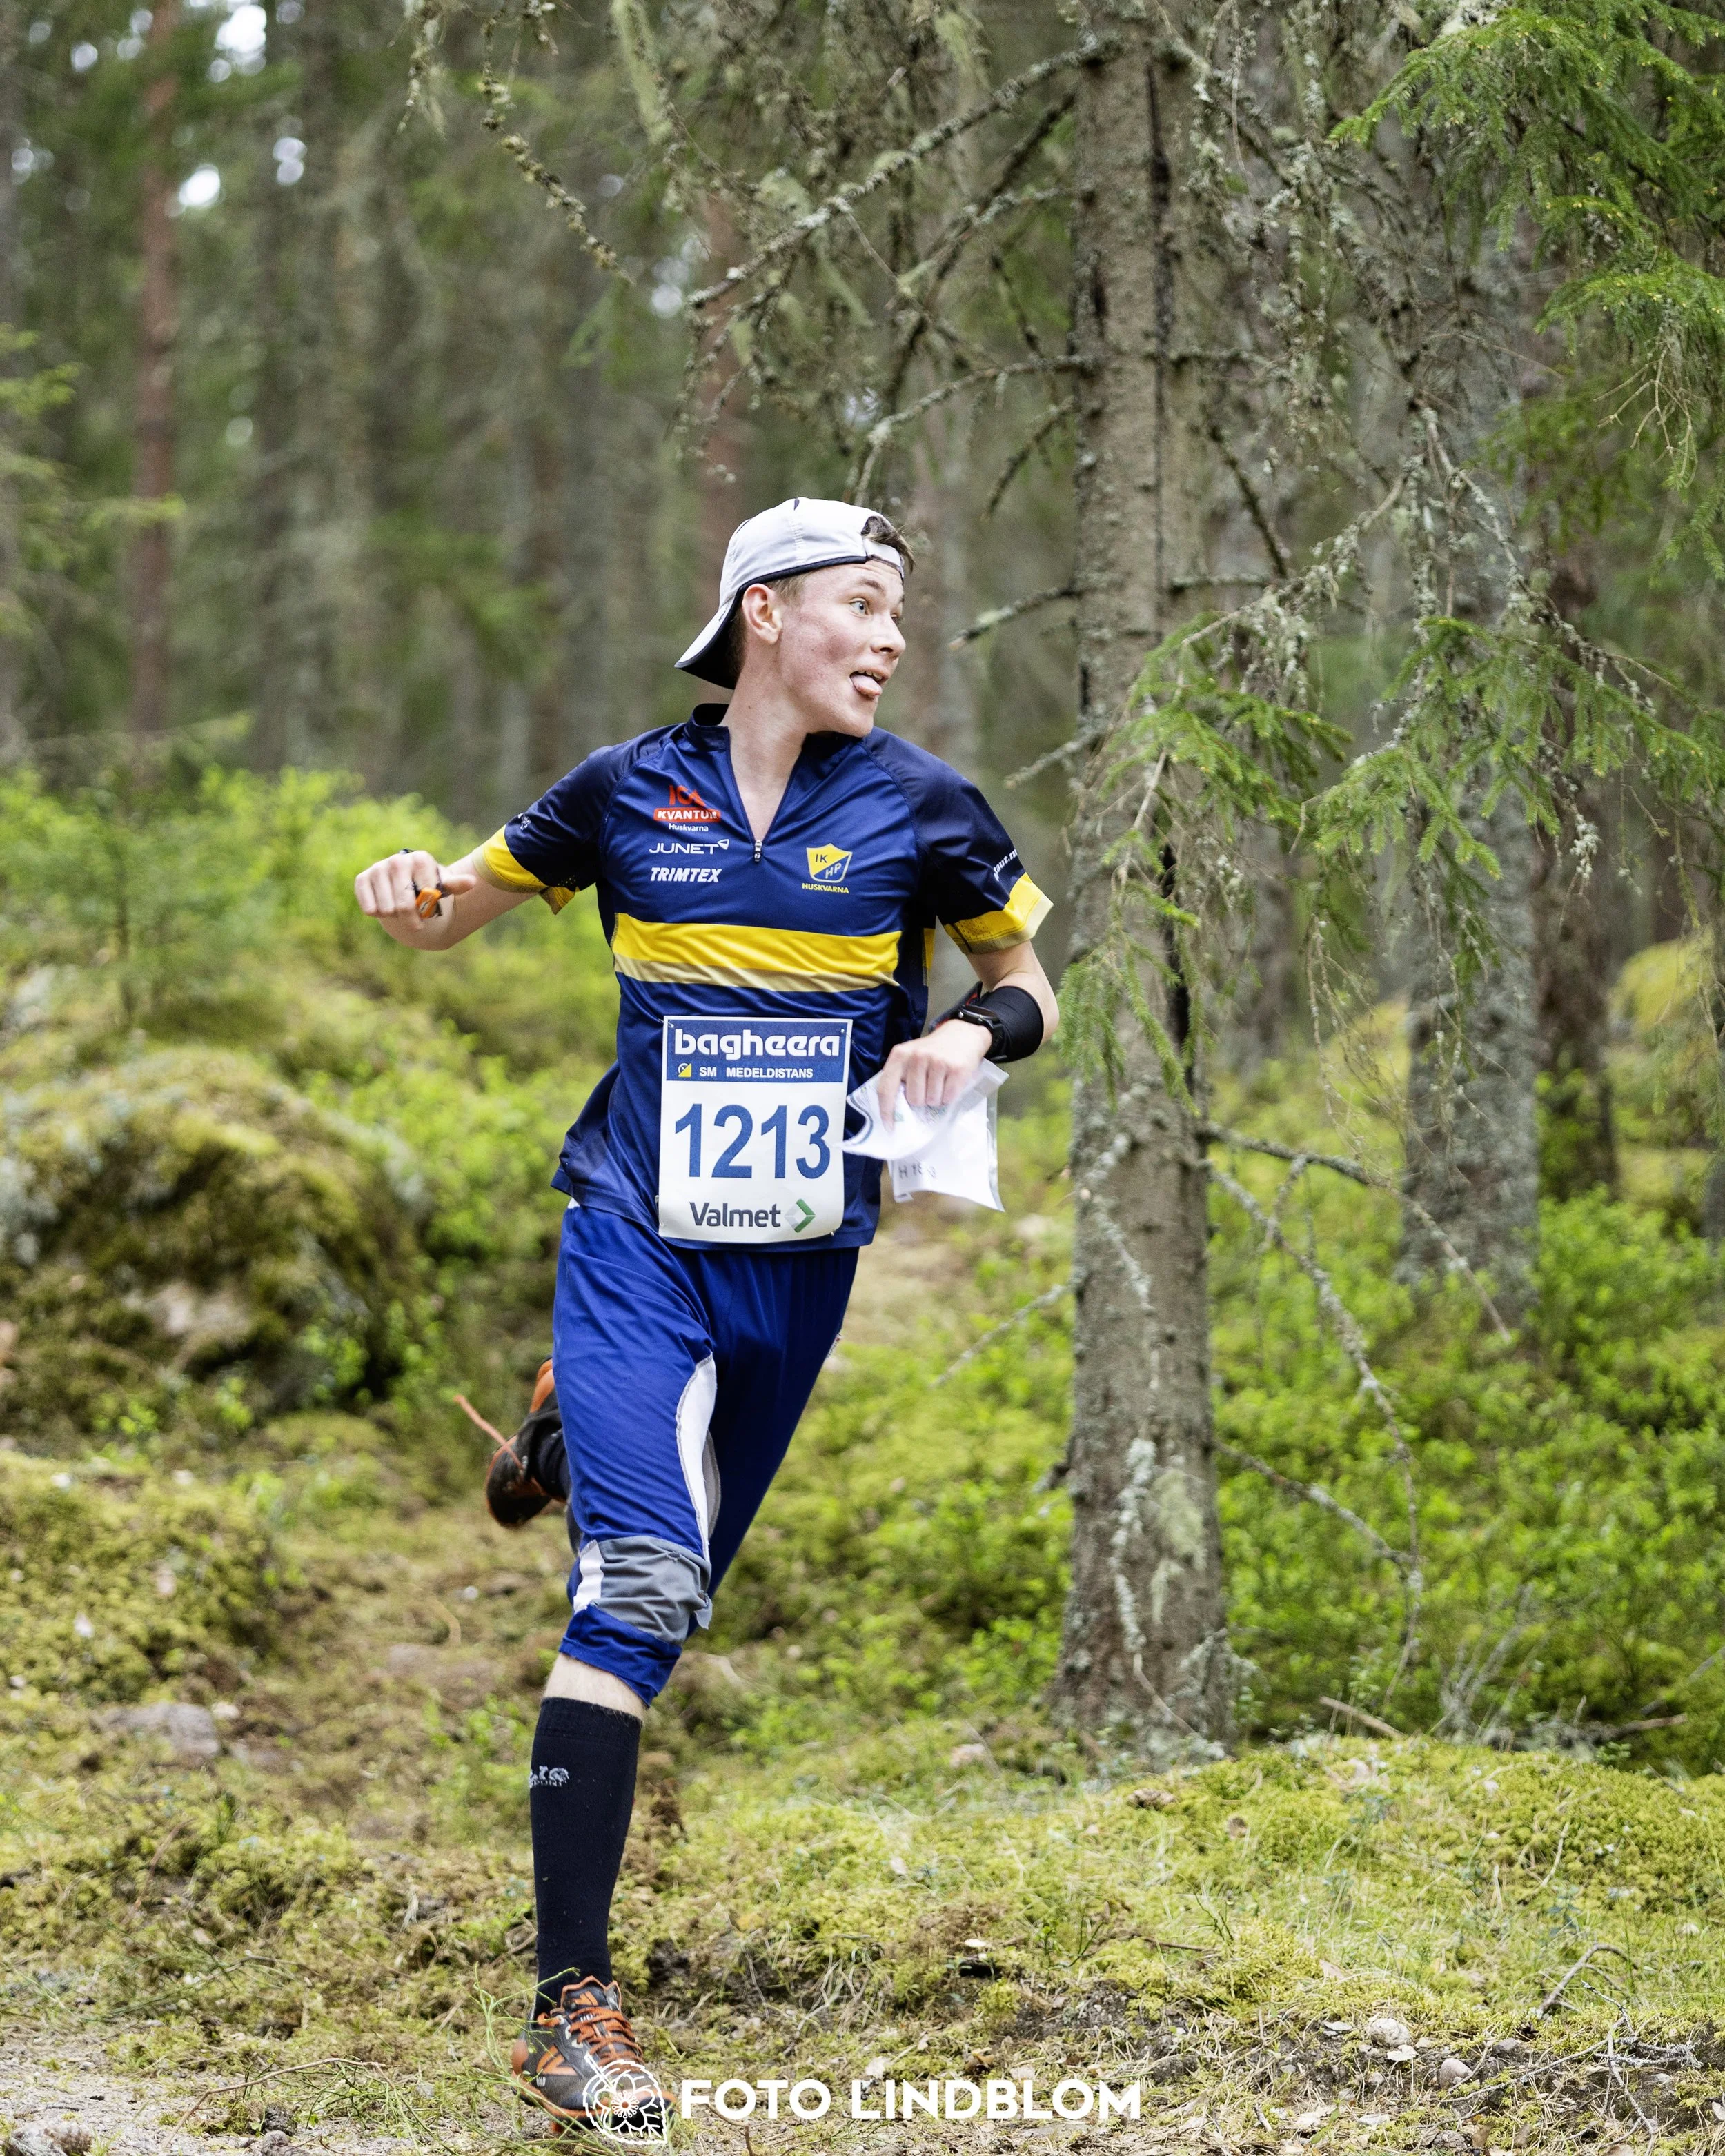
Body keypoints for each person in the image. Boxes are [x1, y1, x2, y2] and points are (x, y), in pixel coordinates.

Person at [353, 497, 1058, 2139]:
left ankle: (566, 1424)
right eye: (861, 605)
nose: (889, 637)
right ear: (763, 612)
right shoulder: (624, 790)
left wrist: (974, 1040)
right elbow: (456, 904)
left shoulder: (921, 804)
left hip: (795, 1259)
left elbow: (1025, 969)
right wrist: (409, 887)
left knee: (661, 1609)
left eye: (899, 612)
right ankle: (567, 2009)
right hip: (631, 1225)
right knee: (639, 1579)